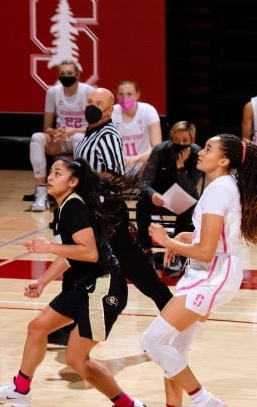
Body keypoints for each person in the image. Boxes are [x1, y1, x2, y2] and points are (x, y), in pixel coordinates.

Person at [0, 157, 146, 407]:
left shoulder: (73, 207)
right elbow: (71, 252)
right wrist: (43, 281)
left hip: (104, 286)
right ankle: (20, 391)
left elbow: (89, 253)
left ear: (73, 182)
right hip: (87, 283)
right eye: (50, 172)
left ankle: (129, 405)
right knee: (37, 328)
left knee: (76, 360)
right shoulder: (65, 206)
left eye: (57, 173)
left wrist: (47, 246)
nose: (49, 177)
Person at [141, 134, 257, 407]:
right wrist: (187, 237)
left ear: (224, 160)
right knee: (174, 346)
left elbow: (206, 251)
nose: (200, 153)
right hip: (211, 271)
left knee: (153, 341)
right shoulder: (227, 185)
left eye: (208, 149)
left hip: (212, 274)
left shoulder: (219, 189)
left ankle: (205, 401)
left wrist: (167, 242)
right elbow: (212, 239)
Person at [73, 86, 173, 311]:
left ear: (109, 111)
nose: (92, 106)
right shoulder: (87, 135)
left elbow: (115, 174)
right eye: (90, 101)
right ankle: (66, 327)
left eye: (98, 104)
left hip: (105, 208)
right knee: (81, 263)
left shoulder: (108, 135)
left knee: (132, 263)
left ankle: (168, 305)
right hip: (91, 207)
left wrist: (85, 180)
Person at [29, 60, 93, 212]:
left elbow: (95, 127)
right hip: (61, 139)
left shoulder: (88, 91)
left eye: (70, 73)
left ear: (77, 75)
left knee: (78, 138)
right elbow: (46, 128)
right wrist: (55, 132)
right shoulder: (53, 92)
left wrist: (72, 130)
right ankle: (41, 193)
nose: (66, 77)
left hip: (80, 136)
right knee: (36, 138)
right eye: (62, 74)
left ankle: (80, 190)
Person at [135, 121, 203, 261]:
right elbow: (144, 181)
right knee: (142, 204)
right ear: (171, 138)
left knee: (187, 208)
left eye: (185, 140)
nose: (180, 143)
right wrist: (152, 193)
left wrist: (180, 167)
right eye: (176, 140)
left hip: (184, 195)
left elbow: (190, 187)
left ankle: (177, 252)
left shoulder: (197, 154)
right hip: (159, 194)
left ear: (192, 140)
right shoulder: (160, 150)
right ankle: (145, 249)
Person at [111, 79, 162, 169]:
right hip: (119, 164)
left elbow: (157, 147)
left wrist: (134, 159)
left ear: (137, 95)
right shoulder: (112, 112)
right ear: (117, 96)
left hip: (143, 162)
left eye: (129, 94)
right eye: (121, 94)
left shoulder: (148, 110)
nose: (125, 98)